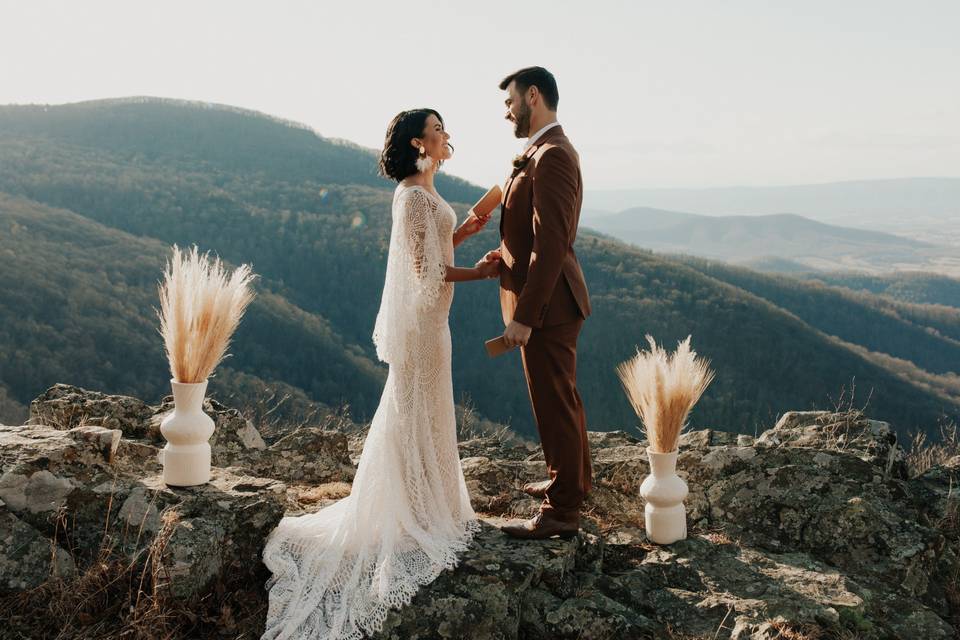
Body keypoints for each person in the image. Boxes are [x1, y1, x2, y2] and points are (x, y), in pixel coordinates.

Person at [261, 108, 499, 640]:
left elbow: (432, 250)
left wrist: (464, 230)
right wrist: (481, 272)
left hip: (433, 321)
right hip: (422, 323)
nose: (445, 135)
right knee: (415, 406)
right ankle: (416, 507)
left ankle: (425, 498)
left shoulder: (424, 191)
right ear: (419, 141)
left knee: (422, 407)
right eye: (437, 129)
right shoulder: (413, 195)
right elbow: (425, 271)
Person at [490, 67, 594, 540]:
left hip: (548, 306)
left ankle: (561, 512)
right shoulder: (541, 151)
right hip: (546, 300)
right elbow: (531, 234)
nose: (507, 110)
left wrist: (526, 317)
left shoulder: (552, 155)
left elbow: (552, 243)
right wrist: (505, 255)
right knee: (560, 399)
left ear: (533, 96)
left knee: (554, 403)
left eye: (511, 100)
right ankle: (569, 482)